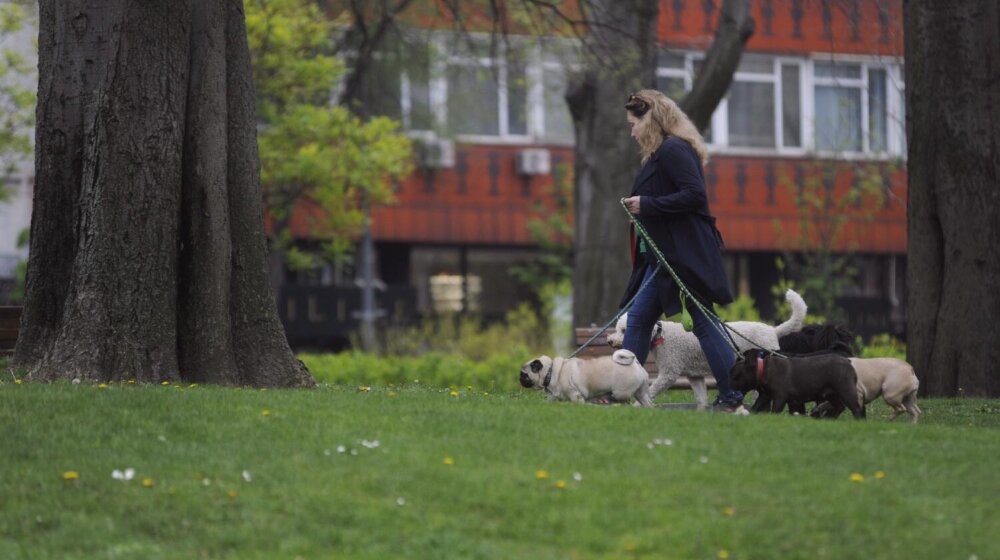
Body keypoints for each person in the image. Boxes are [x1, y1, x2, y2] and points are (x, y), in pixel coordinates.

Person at [619, 89, 744, 412]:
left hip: (680, 257)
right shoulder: (662, 153)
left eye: (634, 123)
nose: (631, 131)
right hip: (660, 258)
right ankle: (626, 391)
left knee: (702, 321)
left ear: (651, 120)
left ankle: (732, 394)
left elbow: (694, 196)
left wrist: (647, 204)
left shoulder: (674, 150)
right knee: (638, 320)